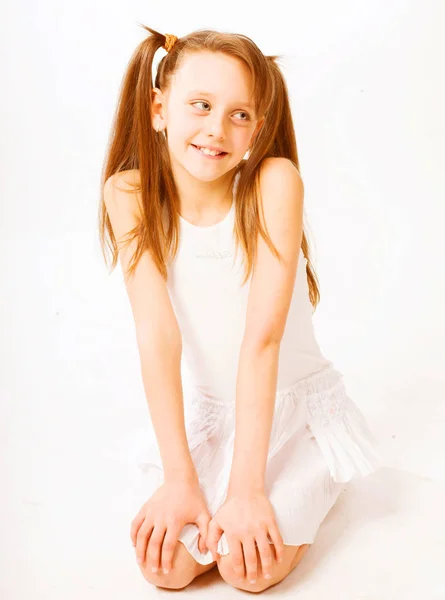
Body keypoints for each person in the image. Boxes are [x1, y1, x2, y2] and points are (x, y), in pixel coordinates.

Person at [98, 25, 382, 593]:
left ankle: (312, 477)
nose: (216, 129)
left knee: (245, 571)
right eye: (200, 105)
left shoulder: (273, 183)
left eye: (240, 114)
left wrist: (247, 489)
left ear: (257, 128)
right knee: (169, 569)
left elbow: (263, 342)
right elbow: (158, 335)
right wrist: (181, 478)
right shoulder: (127, 194)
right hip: (214, 411)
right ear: (159, 109)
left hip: (290, 405)